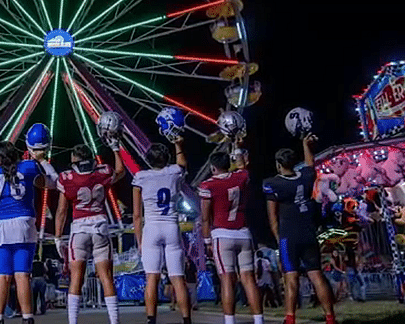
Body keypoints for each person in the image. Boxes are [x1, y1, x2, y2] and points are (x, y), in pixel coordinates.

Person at [263, 134, 336, 324]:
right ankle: (330, 317)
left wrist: (278, 238)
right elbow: (310, 164)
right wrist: (306, 145)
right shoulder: (306, 176)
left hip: (289, 235)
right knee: (316, 275)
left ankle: (290, 318)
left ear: (279, 164)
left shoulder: (272, 183)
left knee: (291, 279)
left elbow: (272, 217)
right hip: (309, 232)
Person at [0, 141, 46, 324]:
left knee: (3, 276)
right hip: (24, 222)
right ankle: (27, 317)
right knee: (22, 274)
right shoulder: (29, 167)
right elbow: (45, 182)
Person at [55, 142, 125, 324]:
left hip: (79, 228)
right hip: (100, 224)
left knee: (76, 277)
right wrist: (116, 149)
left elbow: (61, 211)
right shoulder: (103, 172)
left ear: (75, 159)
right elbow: (120, 171)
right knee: (106, 277)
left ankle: (73, 321)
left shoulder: (66, 178)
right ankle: (114, 320)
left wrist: (57, 236)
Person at [199, 151, 264, 324]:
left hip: (222, 234)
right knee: (249, 279)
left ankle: (229, 321)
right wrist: (238, 148)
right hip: (243, 232)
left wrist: (206, 241)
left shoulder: (208, 185)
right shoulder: (241, 177)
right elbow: (243, 166)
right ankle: (259, 320)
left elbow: (205, 218)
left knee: (227, 279)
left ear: (213, 167)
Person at [132, 139, 192, 324]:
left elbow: (136, 214)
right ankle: (186, 319)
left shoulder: (140, 177)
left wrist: (140, 240)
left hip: (152, 227)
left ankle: (151, 319)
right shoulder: (174, 172)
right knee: (178, 278)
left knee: (152, 277)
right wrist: (179, 144)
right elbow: (182, 164)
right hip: (171, 226)